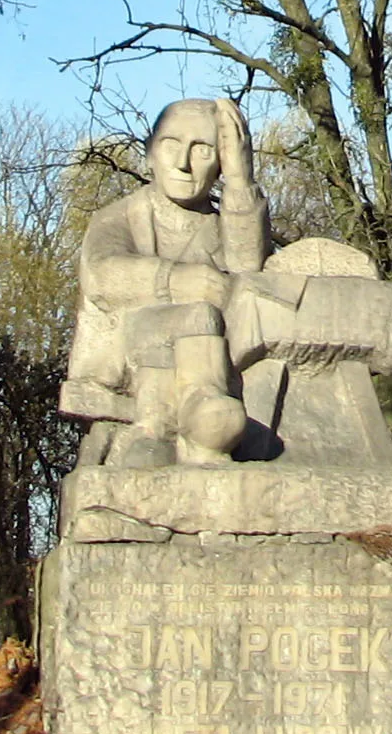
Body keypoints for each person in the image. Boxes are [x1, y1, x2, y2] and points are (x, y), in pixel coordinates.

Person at [63, 98, 269, 467]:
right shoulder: (120, 215)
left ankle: (190, 422)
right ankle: (175, 422)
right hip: (129, 351)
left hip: (212, 352)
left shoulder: (221, 226)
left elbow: (248, 265)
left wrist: (240, 180)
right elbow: (101, 274)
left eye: (202, 150)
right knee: (199, 316)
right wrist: (174, 280)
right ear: (149, 154)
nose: (183, 162)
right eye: (170, 144)